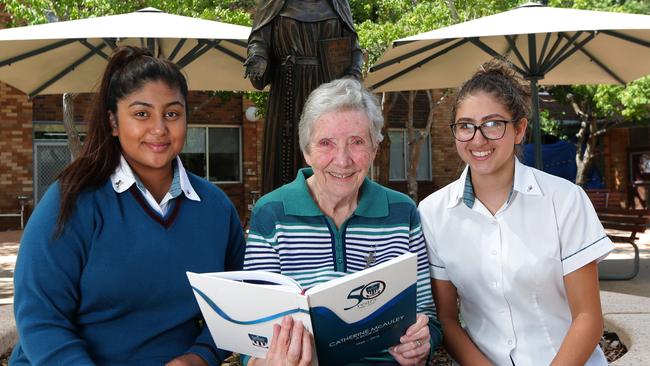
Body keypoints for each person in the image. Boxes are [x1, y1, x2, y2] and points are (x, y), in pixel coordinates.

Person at [10, 46, 245, 366]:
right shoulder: (72, 200)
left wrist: (200, 356)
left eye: (172, 113)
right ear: (113, 122)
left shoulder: (216, 209)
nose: (160, 128)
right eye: (141, 114)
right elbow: (40, 317)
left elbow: (236, 303)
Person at [418, 60, 614, 365]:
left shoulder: (564, 201)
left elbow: (588, 317)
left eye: (493, 124)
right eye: (465, 126)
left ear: (519, 129)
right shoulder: (433, 213)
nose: (478, 139)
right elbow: (447, 319)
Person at [243, 78, 442, 366]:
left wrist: (422, 343)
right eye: (326, 143)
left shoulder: (402, 212)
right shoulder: (272, 213)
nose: (342, 160)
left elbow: (427, 315)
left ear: (375, 148)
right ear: (306, 151)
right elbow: (252, 337)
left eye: (357, 142)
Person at [245, 0, 364, 194]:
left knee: (329, 149)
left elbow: (354, 49)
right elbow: (259, 42)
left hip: (329, 93)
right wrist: (257, 58)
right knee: (287, 160)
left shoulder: (338, 3)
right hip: (288, 90)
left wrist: (353, 75)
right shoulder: (274, 3)